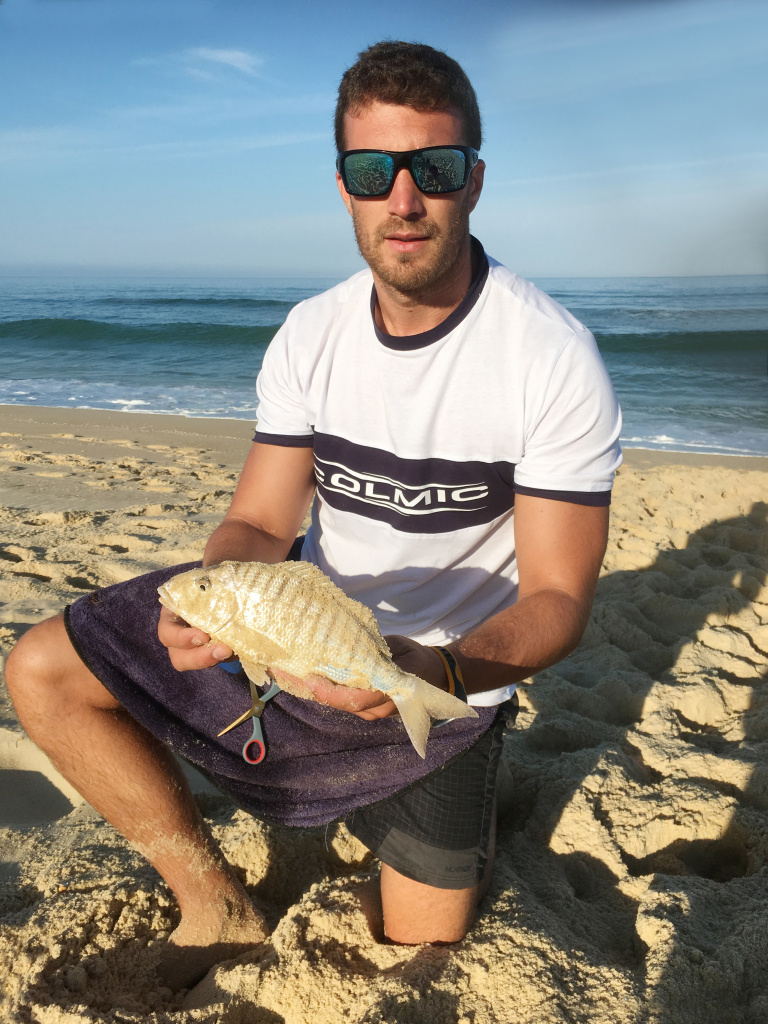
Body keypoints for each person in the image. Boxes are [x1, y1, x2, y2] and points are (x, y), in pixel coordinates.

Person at [6, 41, 621, 989]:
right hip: (295, 644)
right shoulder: (311, 332)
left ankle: (436, 804)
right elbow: (257, 521)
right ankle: (214, 903)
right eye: (374, 171)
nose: (404, 200)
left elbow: (556, 598)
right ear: (345, 187)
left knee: (420, 945)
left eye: (436, 169)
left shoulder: (550, 357)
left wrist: (436, 669)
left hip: (439, 685)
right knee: (41, 668)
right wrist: (221, 601)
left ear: (475, 182)